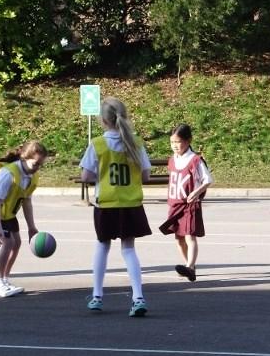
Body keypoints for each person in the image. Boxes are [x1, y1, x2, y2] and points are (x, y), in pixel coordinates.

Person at [79, 97, 152, 317]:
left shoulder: (98, 144)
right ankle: (138, 297)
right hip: (130, 203)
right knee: (129, 250)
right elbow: (146, 176)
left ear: (103, 120)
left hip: (107, 203)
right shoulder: (135, 143)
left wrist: (101, 175)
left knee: (102, 246)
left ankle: (97, 295)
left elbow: (85, 176)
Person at [0, 140, 47, 298]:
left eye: (41, 165)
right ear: (24, 158)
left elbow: (26, 201)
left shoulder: (32, 176)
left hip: (7, 211)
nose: (38, 168)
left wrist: (31, 227)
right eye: (35, 164)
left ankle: (4, 280)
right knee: (8, 242)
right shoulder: (8, 174)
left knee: (16, 243)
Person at [159, 124, 213, 282]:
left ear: (188, 141)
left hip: (190, 205)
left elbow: (208, 180)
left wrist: (196, 192)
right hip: (175, 204)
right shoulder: (172, 160)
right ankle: (189, 266)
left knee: (190, 236)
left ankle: (189, 266)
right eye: (172, 142)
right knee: (179, 239)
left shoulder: (195, 160)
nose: (175, 145)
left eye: (178, 142)